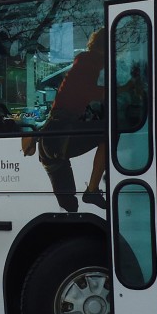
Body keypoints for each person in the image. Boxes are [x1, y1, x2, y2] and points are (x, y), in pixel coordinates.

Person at [22, 28, 108, 212]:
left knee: (70, 206)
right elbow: (89, 92)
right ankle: (92, 190)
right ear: (105, 46)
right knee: (108, 134)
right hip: (56, 140)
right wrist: (121, 90)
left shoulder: (89, 63)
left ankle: (95, 188)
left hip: (54, 139)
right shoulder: (88, 62)